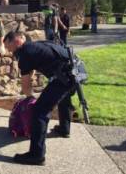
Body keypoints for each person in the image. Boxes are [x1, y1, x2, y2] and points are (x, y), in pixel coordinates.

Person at [4, 31, 75, 166]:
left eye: (9, 46)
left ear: (18, 41)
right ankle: (64, 129)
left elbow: (26, 85)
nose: (9, 50)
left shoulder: (25, 54)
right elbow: (33, 69)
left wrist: (30, 98)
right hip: (75, 72)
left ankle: (36, 155)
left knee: (39, 112)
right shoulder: (37, 45)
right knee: (63, 97)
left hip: (64, 77)